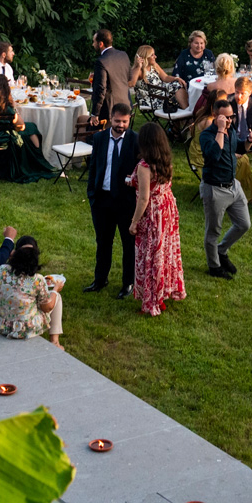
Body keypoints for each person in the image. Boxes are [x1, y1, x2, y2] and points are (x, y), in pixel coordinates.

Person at [129, 123, 185, 316]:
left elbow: (144, 197)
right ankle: (162, 294)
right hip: (166, 208)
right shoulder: (166, 161)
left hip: (152, 213)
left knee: (150, 255)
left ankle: (151, 300)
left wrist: (134, 221)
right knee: (164, 253)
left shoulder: (145, 166)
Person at [84, 102, 139, 296]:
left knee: (128, 244)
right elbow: (93, 168)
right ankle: (100, 279)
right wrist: (92, 194)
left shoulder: (135, 140)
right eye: (117, 121)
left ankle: (128, 283)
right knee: (103, 242)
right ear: (111, 119)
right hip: (102, 200)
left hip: (126, 202)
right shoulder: (99, 138)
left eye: (124, 121)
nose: (121, 125)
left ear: (129, 119)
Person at [0, 237, 64, 347]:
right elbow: (46, 308)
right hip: (25, 329)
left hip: (0, 325)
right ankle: (55, 341)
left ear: (14, 253)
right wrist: (55, 289)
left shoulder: (2, 271)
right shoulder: (38, 279)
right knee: (56, 297)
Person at [199, 99, 250, 278]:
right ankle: (214, 267)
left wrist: (249, 142)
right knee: (213, 231)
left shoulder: (231, 130)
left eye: (232, 117)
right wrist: (220, 130)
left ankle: (221, 251)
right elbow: (214, 155)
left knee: (244, 224)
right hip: (215, 188)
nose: (229, 121)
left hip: (233, 186)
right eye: (225, 118)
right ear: (215, 116)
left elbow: (238, 147)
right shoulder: (206, 135)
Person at [0, 76, 54, 185]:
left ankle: (35, 158)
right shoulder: (6, 108)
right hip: (5, 141)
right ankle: (37, 159)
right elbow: (21, 125)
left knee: (30, 127)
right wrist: (13, 106)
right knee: (31, 127)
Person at [129, 45, 189, 111]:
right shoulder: (139, 71)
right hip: (152, 99)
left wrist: (176, 78)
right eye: (152, 55)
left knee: (178, 84)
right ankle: (187, 113)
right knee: (176, 88)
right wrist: (138, 66)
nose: (155, 56)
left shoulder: (154, 65)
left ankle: (185, 112)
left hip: (162, 92)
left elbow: (165, 77)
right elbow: (132, 84)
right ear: (145, 57)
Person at [90, 27, 131, 123]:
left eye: (94, 42)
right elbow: (128, 77)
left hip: (110, 111)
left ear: (100, 44)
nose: (93, 44)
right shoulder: (123, 55)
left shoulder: (101, 61)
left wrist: (95, 113)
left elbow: (101, 89)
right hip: (126, 105)